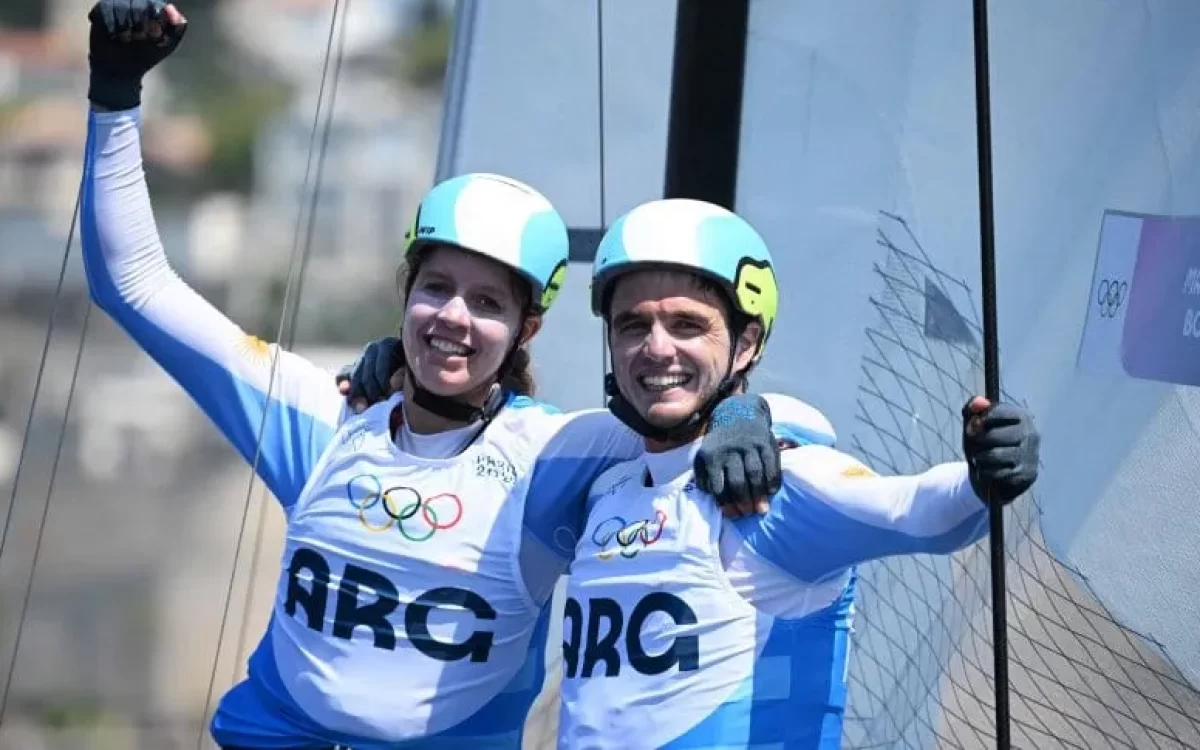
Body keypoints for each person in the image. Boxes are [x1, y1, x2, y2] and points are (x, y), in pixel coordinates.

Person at [80, 4, 828, 748]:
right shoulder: (324, 418)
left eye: (487, 302)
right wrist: (115, 91)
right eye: (435, 289)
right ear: (404, 292)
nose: (453, 319)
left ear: (526, 329)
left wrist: (749, 415)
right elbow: (135, 284)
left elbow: (688, 409)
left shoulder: (556, 456)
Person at [549, 198, 1041, 749]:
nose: (656, 347)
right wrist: (745, 410)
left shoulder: (778, 484)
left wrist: (984, 475)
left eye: (688, 324)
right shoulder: (604, 485)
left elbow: (919, 511)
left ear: (746, 344)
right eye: (632, 324)